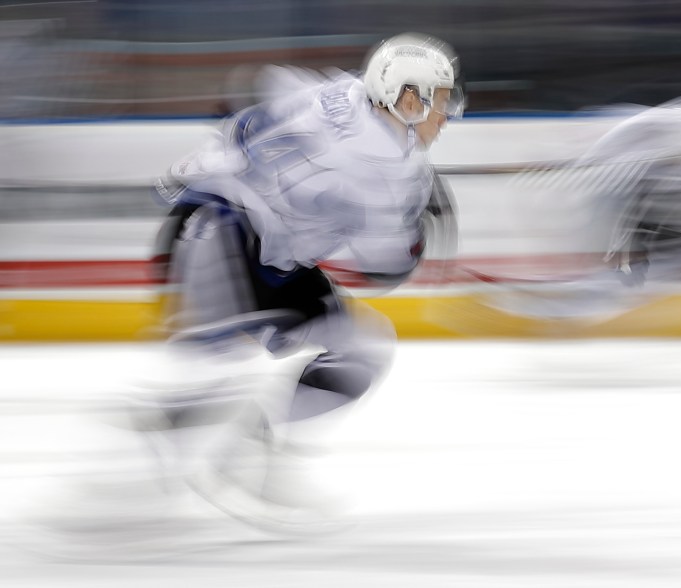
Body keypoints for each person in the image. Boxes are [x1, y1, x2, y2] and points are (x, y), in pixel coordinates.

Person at [142, 32, 465, 529]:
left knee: (357, 348)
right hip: (225, 237)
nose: (447, 113)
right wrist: (421, 225)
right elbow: (383, 267)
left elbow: (260, 86)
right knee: (214, 387)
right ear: (405, 97)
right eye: (439, 99)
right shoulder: (386, 170)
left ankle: (239, 450)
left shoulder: (348, 91)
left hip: (233, 234)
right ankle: (123, 488)